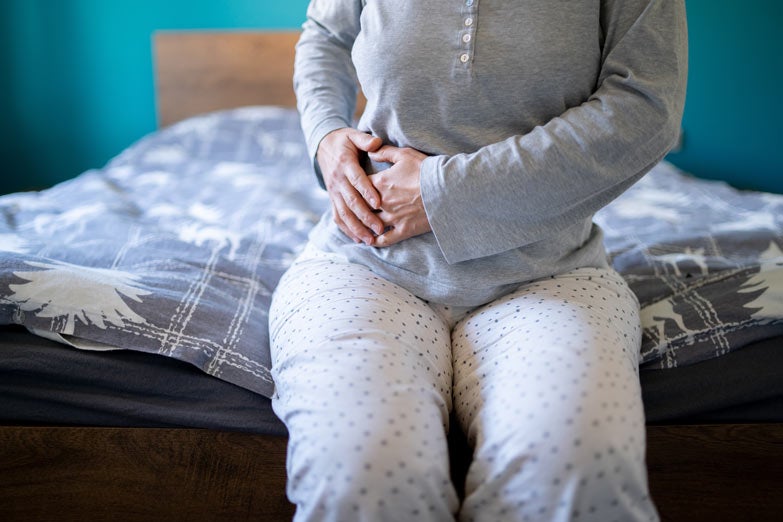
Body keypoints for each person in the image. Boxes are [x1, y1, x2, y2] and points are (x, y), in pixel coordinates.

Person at [269, 1, 687, 521]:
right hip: (368, 261)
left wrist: (440, 194)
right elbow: (326, 37)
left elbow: (645, 106)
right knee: (361, 469)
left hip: (549, 274)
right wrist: (327, 135)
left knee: (577, 466)